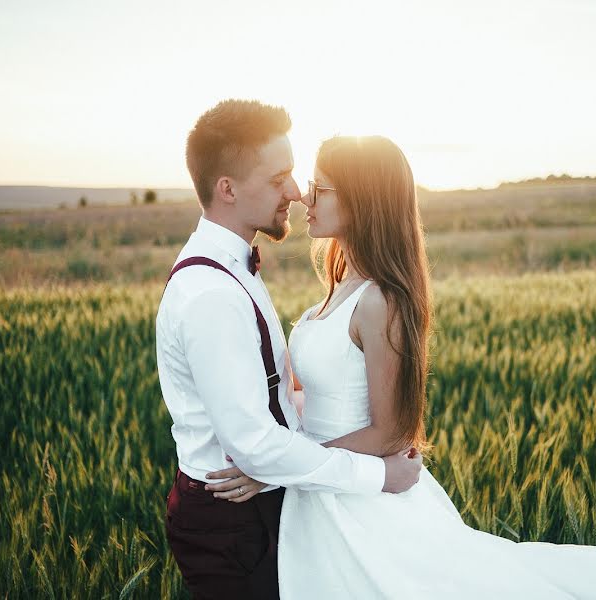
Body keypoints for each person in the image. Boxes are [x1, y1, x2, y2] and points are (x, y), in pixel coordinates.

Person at [208, 135, 596, 599]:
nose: (305, 195)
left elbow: (391, 431)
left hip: (362, 503)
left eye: (321, 187)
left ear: (363, 199)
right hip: (323, 497)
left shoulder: (381, 300)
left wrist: (280, 466)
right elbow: (317, 392)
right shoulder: (338, 287)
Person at [155, 100, 422, 600]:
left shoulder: (235, 270)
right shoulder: (212, 292)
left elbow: (279, 393)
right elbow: (253, 446)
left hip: (279, 502)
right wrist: (378, 473)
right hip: (231, 519)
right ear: (227, 188)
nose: (297, 194)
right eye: (280, 178)